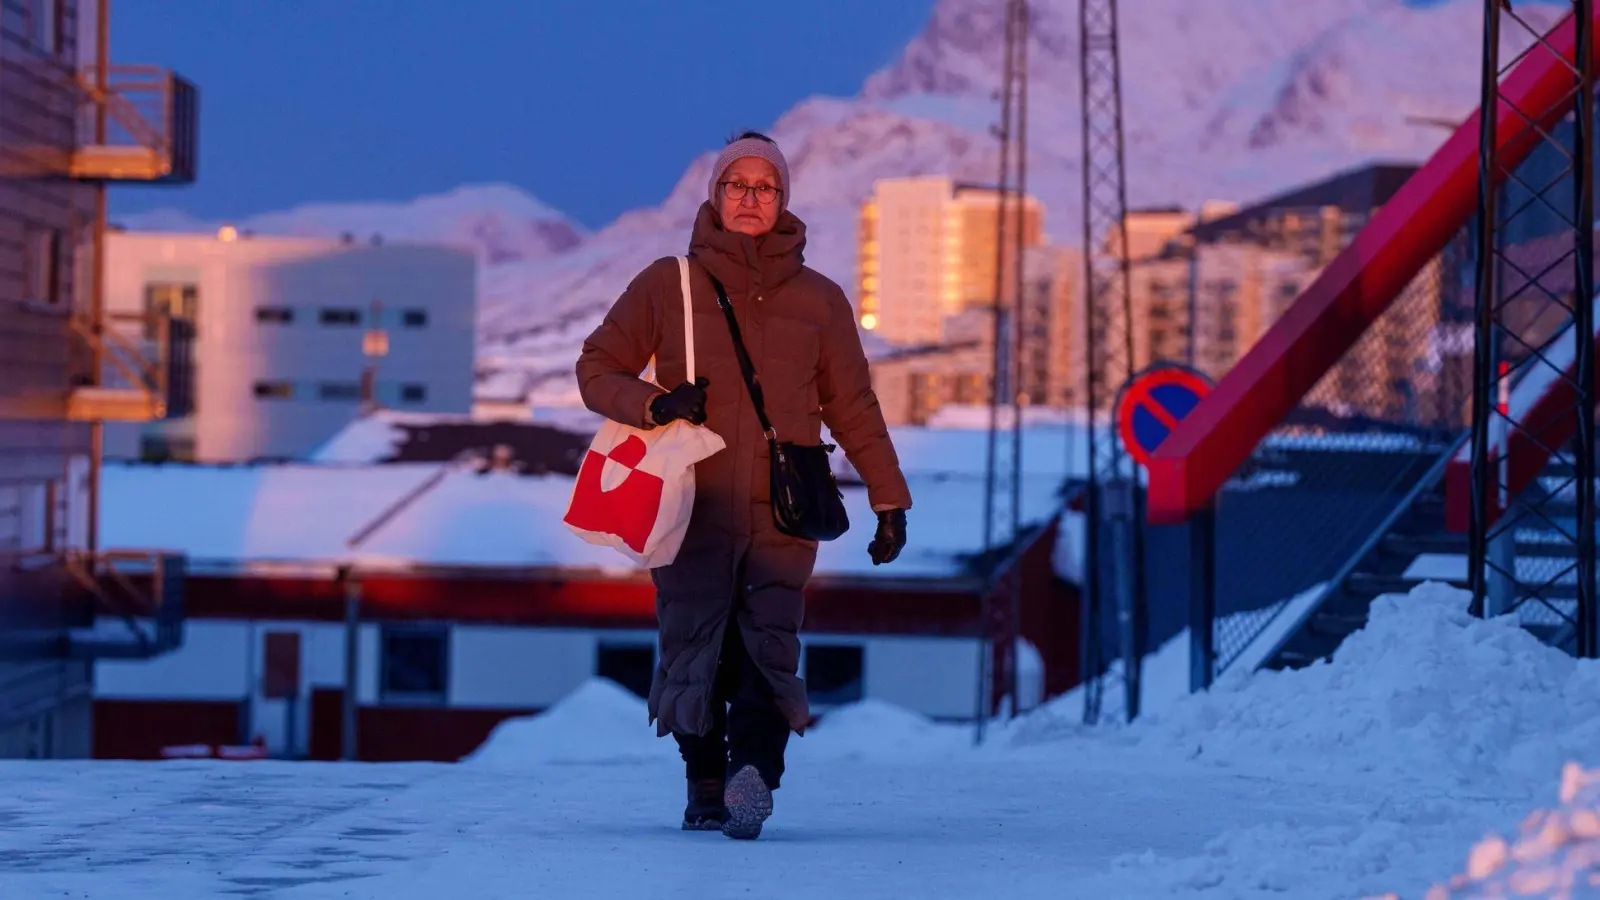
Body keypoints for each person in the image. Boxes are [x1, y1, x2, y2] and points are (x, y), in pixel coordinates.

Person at [576, 131, 912, 840]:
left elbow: (853, 405)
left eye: (765, 187)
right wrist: (655, 404)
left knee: (769, 640)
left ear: (783, 199)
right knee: (696, 639)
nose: (750, 198)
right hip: (689, 499)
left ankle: (751, 774)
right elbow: (597, 367)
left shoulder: (820, 300)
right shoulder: (667, 283)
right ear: (715, 195)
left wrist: (889, 499)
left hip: (782, 505)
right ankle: (704, 781)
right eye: (737, 185)